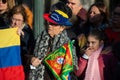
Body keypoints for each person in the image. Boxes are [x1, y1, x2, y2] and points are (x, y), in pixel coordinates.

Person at [29, 9, 77, 80]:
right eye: (49, 22)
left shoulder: (68, 46)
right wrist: (31, 59)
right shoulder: (40, 38)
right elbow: (28, 54)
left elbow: (72, 68)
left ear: (62, 28)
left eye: (53, 24)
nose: (49, 26)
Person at [7, 4, 35, 79]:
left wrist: (20, 38)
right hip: (6, 68)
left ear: (23, 21)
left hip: (21, 68)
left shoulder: (27, 32)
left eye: (19, 20)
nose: (16, 23)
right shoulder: (4, 29)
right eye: (14, 19)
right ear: (10, 18)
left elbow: (29, 51)